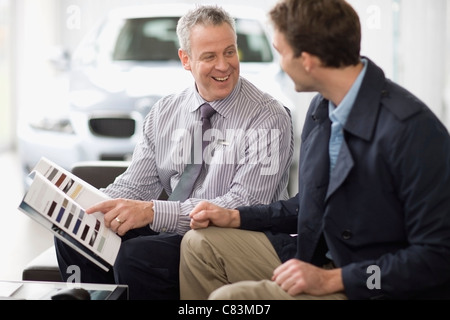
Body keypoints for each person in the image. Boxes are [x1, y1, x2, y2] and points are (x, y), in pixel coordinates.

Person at [179, 0, 450, 300]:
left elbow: (437, 260)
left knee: (229, 301)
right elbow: (309, 205)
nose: (280, 63)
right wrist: (236, 216)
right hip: (318, 259)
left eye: (281, 53)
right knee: (199, 243)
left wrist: (337, 279)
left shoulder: (412, 130)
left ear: (306, 59)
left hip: (372, 285)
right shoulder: (322, 107)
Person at [54, 4, 294, 300]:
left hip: (226, 238)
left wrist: (154, 212)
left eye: (230, 52)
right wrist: (92, 207)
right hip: (171, 228)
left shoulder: (268, 116)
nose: (224, 65)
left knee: (136, 255)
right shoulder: (165, 111)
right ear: (186, 59)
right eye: (209, 56)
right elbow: (136, 185)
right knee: (74, 236)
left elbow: (245, 204)